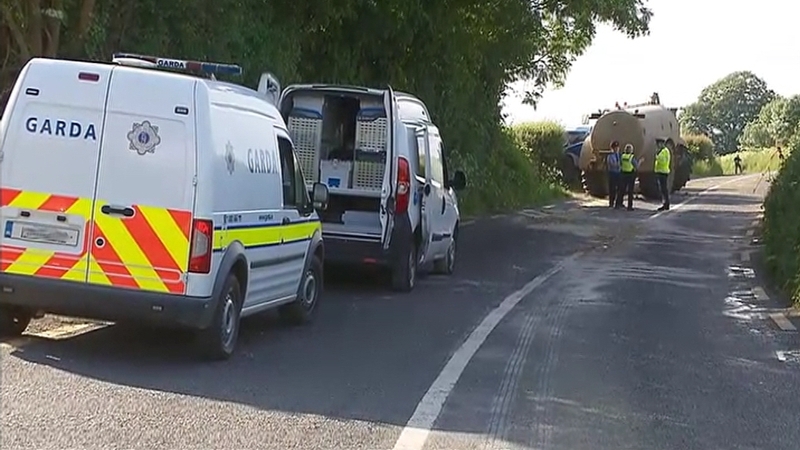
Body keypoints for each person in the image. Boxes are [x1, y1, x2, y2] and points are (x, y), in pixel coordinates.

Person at [617, 143, 638, 210]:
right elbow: (636, 166)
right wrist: (640, 161)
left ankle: (618, 204)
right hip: (630, 174)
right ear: (631, 150)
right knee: (630, 191)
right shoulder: (631, 157)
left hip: (623, 174)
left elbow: (619, 164)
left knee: (621, 190)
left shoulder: (622, 156)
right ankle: (629, 206)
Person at [655, 138, 672, 211]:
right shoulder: (664, 151)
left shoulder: (664, 151)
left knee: (664, 189)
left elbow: (662, 160)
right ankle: (665, 204)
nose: (657, 145)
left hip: (663, 172)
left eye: (658, 144)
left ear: (661, 144)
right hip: (661, 171)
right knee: (663, 189)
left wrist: (657, 155)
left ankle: (666, 204)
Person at [606, 141, 621, 208]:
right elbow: (611, 164)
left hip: (619, 173)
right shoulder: (610, 156)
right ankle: (611, 203)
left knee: (619, 189)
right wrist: (618, 165)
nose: (616, 149)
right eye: (615, 148)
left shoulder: (619, 155)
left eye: (617, 147)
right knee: (612, 189)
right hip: (612, 173)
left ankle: (618, 203)